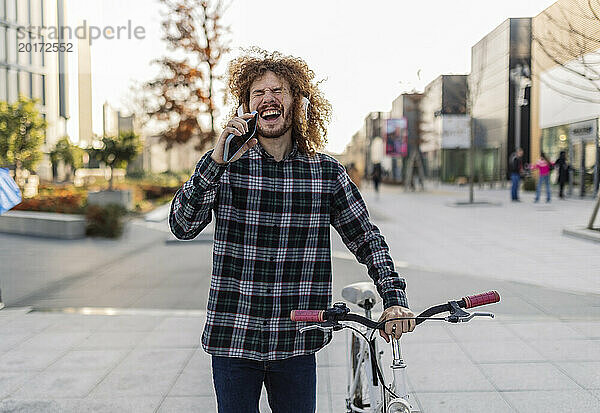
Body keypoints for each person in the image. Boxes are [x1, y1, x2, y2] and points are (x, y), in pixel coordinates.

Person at [169, 50, 414, 413]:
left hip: (296, 342)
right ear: (246, 108)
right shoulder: (226, 168)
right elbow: (182, 225)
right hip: (234, 340)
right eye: (257, 93)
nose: (268, 98)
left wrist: (394, 298)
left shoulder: (325, 172)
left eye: (278, 90)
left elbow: (366, 238)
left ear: (297, 102)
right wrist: (215, 161)